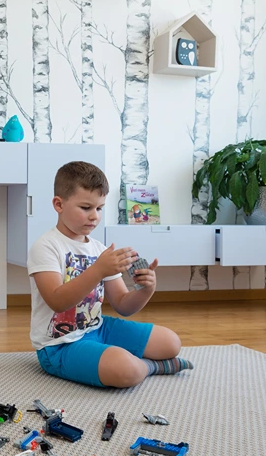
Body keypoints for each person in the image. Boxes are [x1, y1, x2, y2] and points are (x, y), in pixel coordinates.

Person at [27, 161, 191, 388]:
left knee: (171, 343)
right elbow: (57, 301)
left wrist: (145, 290)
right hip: (60, 344)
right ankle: (151, 366)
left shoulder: (99, 249)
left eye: (99, 208)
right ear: (59, 204)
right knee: (128, 371)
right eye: (86, 208)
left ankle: (120, 358)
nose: (94, 216)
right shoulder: (45, 247)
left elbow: (124, 305)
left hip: (98, 328)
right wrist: (99, 270)